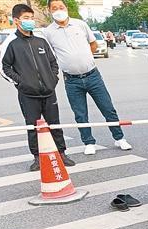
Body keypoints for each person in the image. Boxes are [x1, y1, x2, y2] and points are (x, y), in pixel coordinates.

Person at [44, 0, 133, 156]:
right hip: (71, 80)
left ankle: (119, 138)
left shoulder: (80, 24)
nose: (58, 10)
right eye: (54, 8)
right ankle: (89, 142)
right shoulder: (49, 32)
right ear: (49, 10)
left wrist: (83, 58)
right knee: (80, 114)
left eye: (61, 7)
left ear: (66, 8)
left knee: (108, 108)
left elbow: (93, 44)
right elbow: (51, 54)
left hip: (92, 75)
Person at [1, 4, 74, 172]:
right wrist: (21, 82)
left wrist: (52, 79)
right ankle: (37, 158)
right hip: (28, 94)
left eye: (31, 18)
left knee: (54, 124)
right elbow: (4, 68)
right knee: (33, 127)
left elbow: (53, 62)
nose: (30, 21)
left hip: (49, 92)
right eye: (26, 18)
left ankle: (61, 153)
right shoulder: (11, 43)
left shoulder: (41, 41)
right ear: (16, 20)